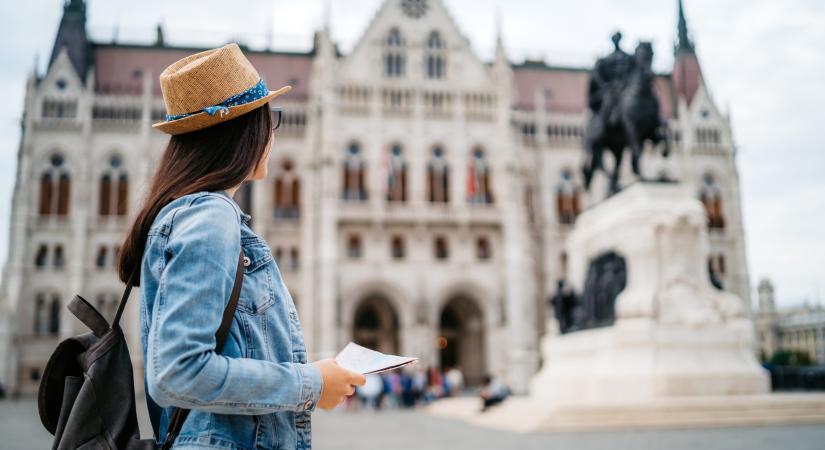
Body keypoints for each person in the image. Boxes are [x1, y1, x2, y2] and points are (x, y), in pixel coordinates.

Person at [116, 43, 365, 450]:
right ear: (246, 131)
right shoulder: (210, 217)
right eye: (271, 119)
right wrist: (313, 382)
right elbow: (178, 373)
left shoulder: (193, 214)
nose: (273, 132)